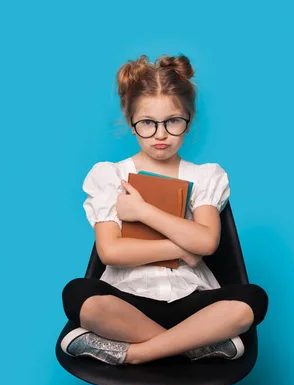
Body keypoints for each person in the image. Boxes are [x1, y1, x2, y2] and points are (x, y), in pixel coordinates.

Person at [60, 54, 268, 366]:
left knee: (251, 301)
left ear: (189, 120)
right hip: (128, 302)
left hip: (192, 301)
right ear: (131, 124)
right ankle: (195, 345)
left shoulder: (205, 176)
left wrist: (143, 211)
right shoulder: (109, 175)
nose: (160, 134)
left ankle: (135, 354)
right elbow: (111, 252)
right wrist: (182, 248)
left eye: (173, 121)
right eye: (147, 123)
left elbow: (207, 243)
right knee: (78, 295)